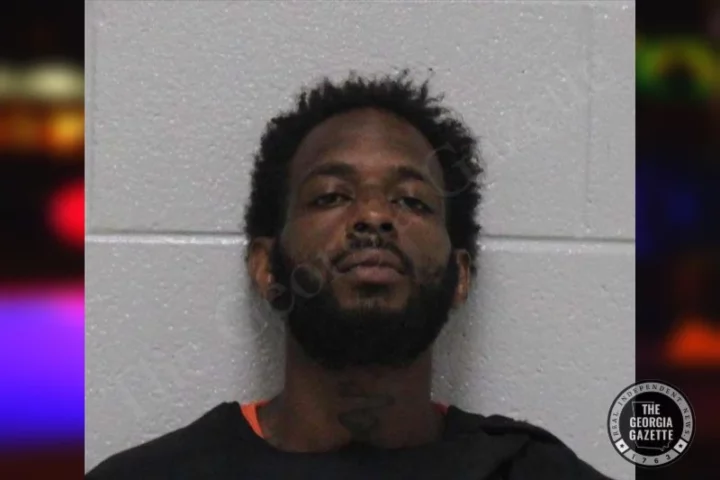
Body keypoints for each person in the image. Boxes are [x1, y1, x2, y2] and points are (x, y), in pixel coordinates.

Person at [87, 70, 614, 479]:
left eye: (411, 200)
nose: (374, 216)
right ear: (266, 266)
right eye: (331, 196)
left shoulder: (533, 472)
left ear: (460, 275)